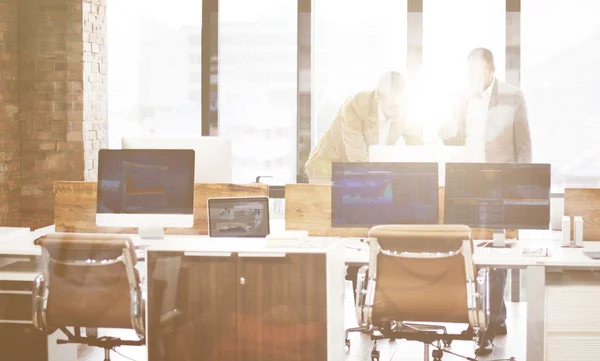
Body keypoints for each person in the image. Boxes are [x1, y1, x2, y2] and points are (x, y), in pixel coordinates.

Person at [439, 48, 532, 355]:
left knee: (496, 255)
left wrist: (520, 191)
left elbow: (523, 146)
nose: (472, 79)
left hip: (498, 186)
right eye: (469, 73)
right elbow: (458, 139)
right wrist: (445, 133)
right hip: (467, 183)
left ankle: (486, 325)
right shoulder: (461, 97)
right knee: (472, 254)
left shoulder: (512, 96)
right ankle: (489, 317)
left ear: (491, 69)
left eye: (477, 73)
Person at [304, 71, 424, 184]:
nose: (398, 112)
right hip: (328, 169)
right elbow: (358, 164)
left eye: (401, 105)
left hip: (361, 175)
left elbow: (419, 153)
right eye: (392, 107)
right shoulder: (355, 107)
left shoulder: (404, 110)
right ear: (378, 99)